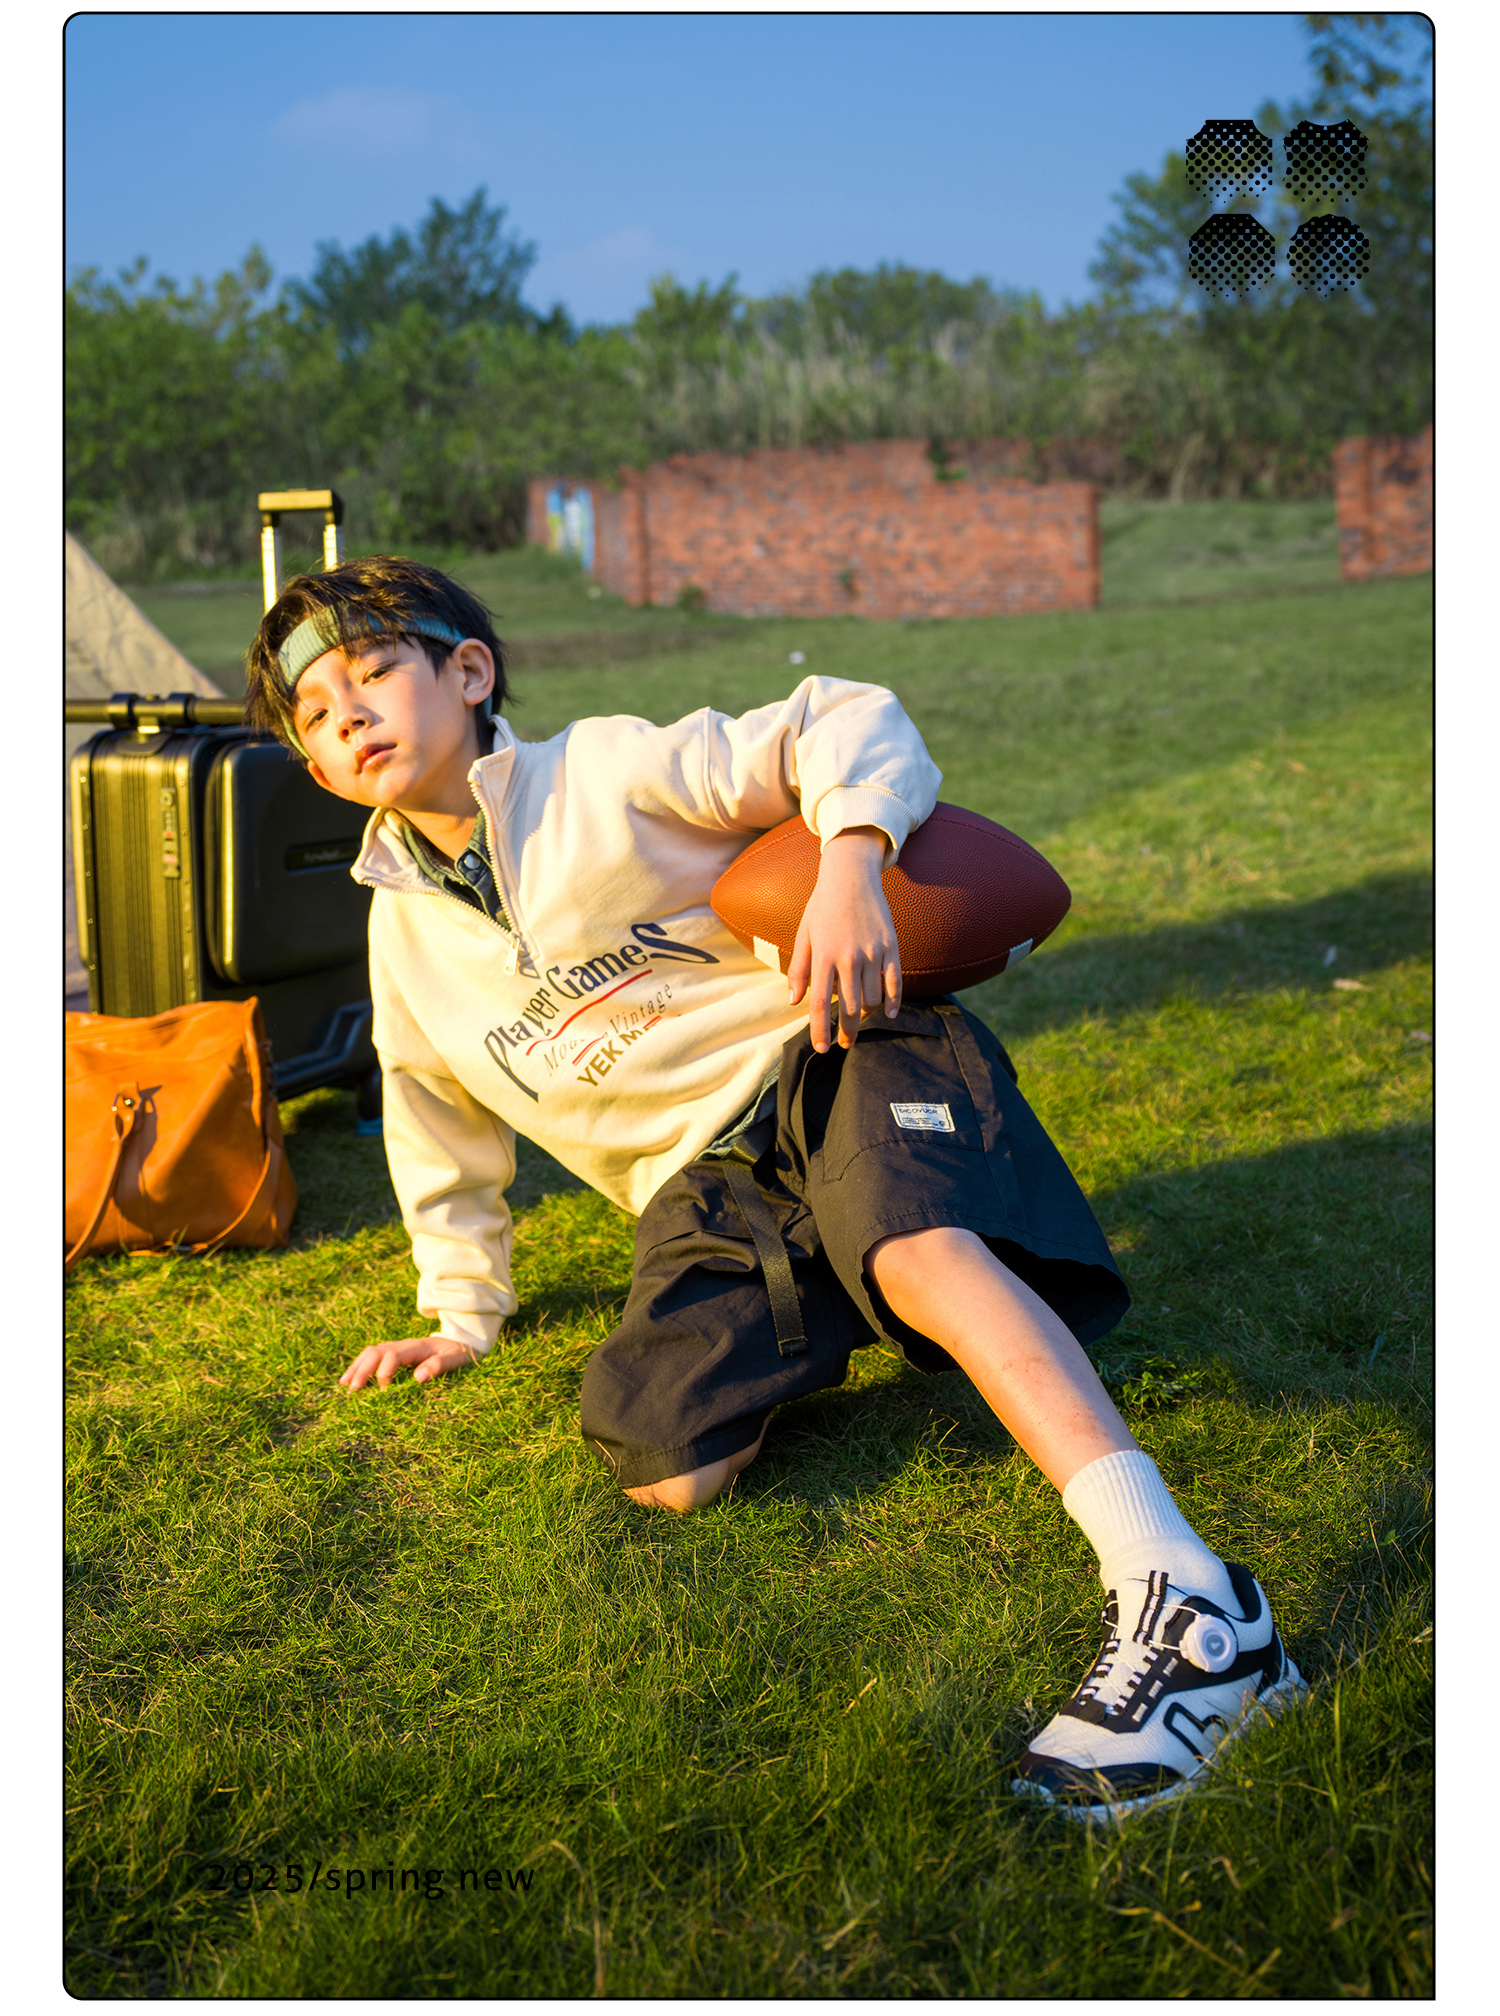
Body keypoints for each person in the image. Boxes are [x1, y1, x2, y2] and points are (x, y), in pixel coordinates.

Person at [244, 554, 1304, 1820]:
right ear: (316, 769)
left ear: (468, 673)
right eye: (317, 715)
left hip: (832, 1044)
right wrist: (463, 1311)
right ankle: (851, 1262)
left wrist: (851, 864)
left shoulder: (603, 770)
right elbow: (433, 1120)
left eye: (372, 674)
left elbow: (841, 716)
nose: (349, 716)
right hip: (709, 1182)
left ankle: (1187, 1600)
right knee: (667, 1467)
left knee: (915, 1248)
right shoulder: (401, 936)